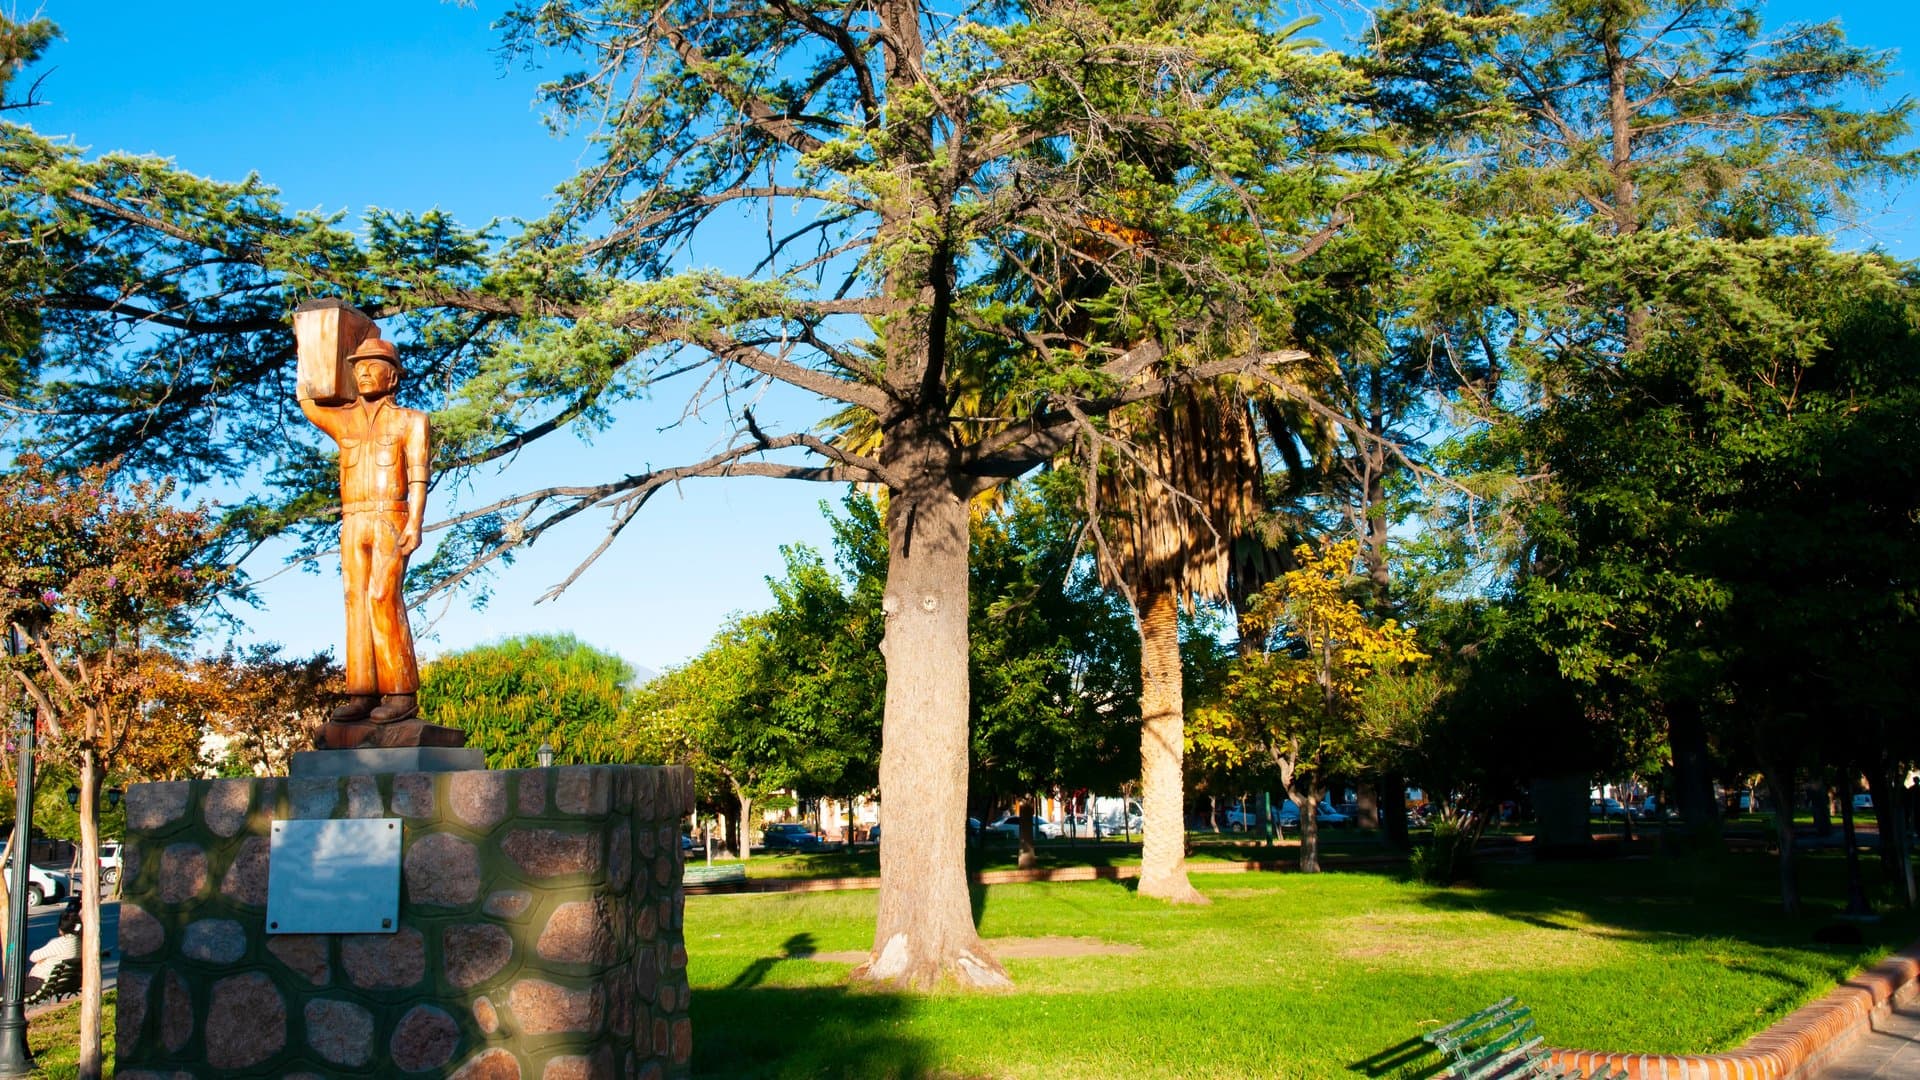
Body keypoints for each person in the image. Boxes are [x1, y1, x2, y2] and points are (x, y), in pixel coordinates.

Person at [298, 335, 431, 726]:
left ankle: (401, 691)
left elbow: (420, 477)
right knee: (355, 599)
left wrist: (416, 522)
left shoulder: (412, 421)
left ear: (393, 378)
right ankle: (361, 692)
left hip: (392, 516)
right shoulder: (344, 421)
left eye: (375, 367)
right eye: (359, 368)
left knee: (381, 596)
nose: (366, 374)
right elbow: (307, 401)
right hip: (352, 519)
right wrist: (307, 348)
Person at [23, 898, 81, 1000]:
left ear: (60, 929)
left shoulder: (59, 943)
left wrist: (43, 960)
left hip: (40, 981)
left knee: (7, 987)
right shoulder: (81, 942)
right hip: (61, 981)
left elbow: (33, 957)